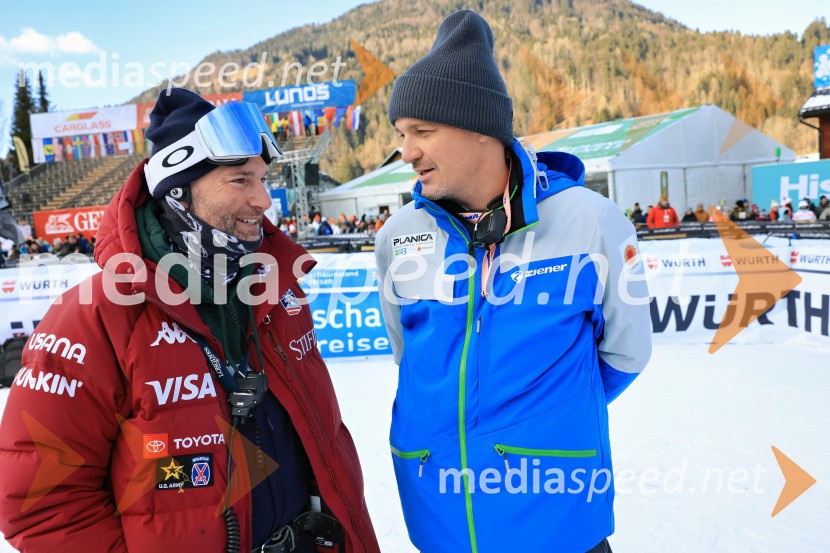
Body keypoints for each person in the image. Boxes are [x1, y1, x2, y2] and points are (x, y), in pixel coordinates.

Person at [0, 89, 379, 553]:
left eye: (263, 179)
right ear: (177, 191)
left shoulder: (276, 292)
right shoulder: (93, 317)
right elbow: (41, 504)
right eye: (241, 180)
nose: (264, 199)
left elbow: (327, 447)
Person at [375, 10, 651, 553]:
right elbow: (409, 357)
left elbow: (625, 355)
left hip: (557, 526)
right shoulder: (399, 236)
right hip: (440, 525)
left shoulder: (589, 221)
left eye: (423, 132)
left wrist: (539, 428)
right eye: (402, 134)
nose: (407, 152)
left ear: (482, 128)